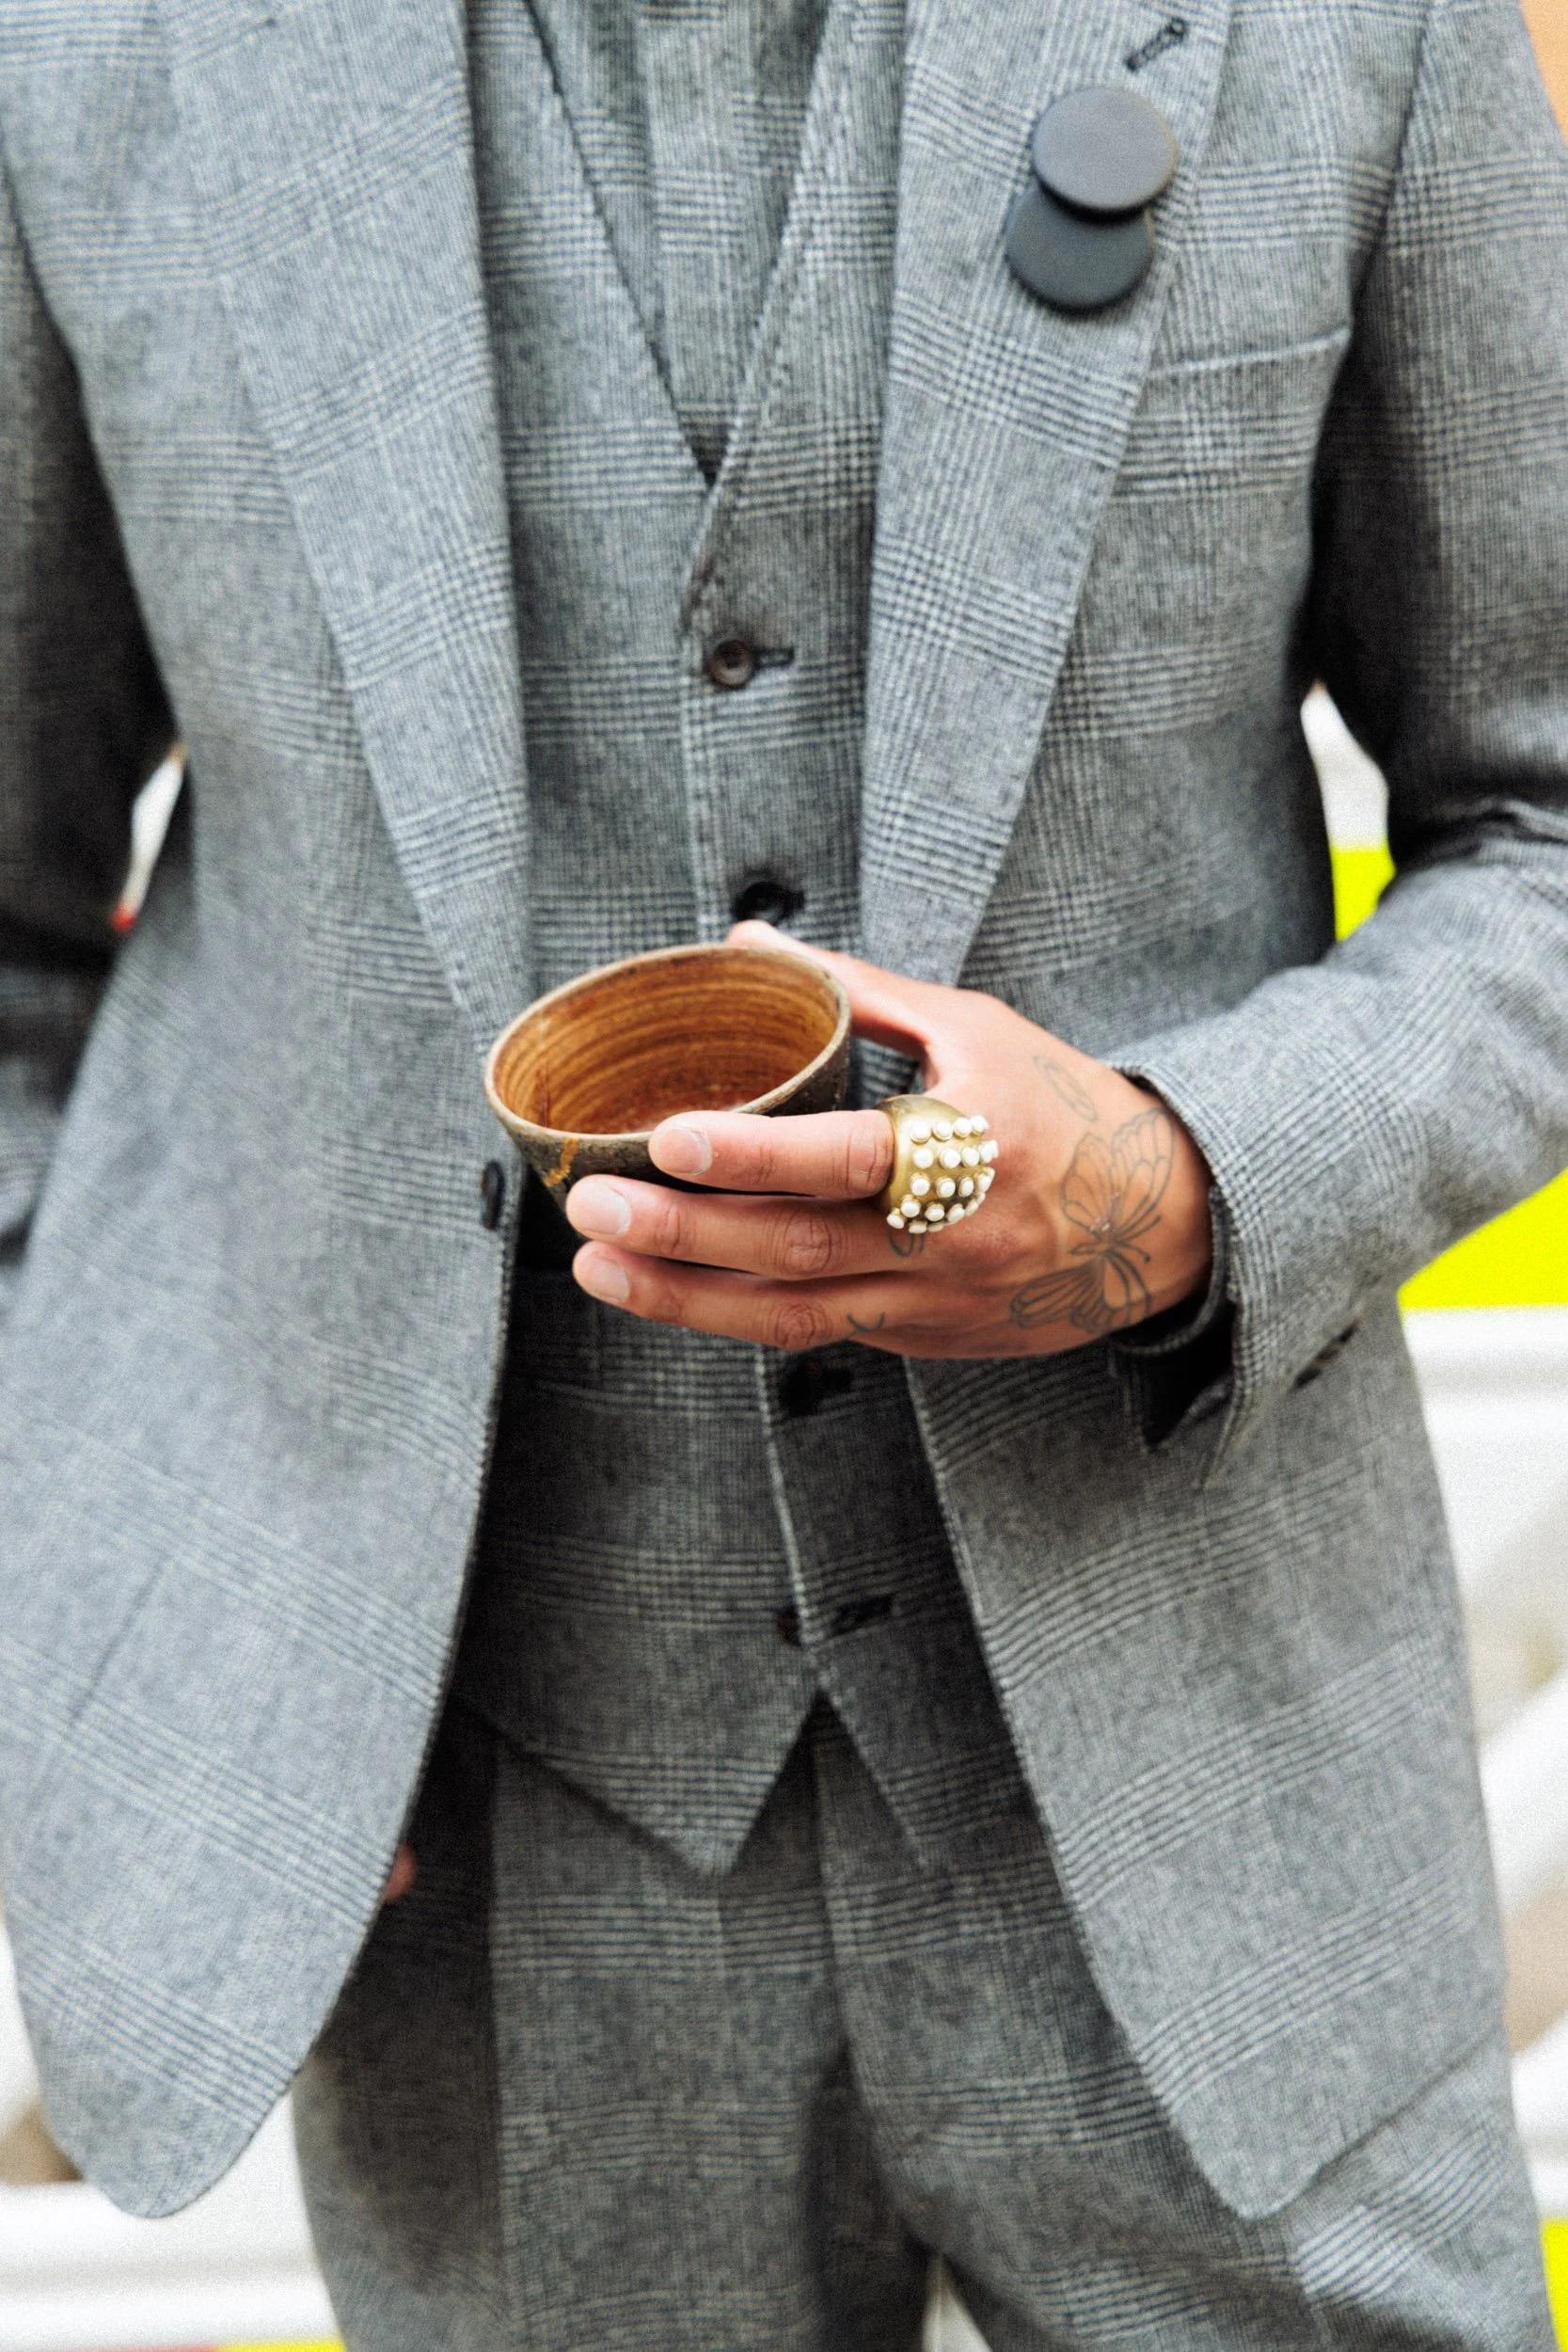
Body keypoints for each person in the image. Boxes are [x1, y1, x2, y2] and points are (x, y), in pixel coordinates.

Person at [2, 0, 1566, 2341]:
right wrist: (144, 1620)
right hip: (482, 1865)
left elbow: (1538, 813)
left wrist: (1177, 1178)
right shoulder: (80, 45)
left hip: (1217, 1817)